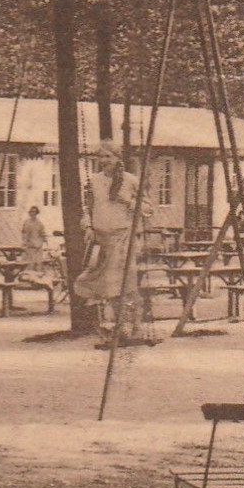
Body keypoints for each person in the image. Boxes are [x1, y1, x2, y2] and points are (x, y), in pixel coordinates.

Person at [73, 141, 153, 342]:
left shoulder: (131, 180)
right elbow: (88, 209)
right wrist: (88, 227)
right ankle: (111, 326)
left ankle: (131, 327)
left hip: (123, 238)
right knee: (93, 282)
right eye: (100, 157)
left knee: (122, 285)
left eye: (108, 156)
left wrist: (128, 200)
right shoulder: (94, 181)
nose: (103, 161)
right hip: (100, 240)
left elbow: (148, 209)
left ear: (118, 158)